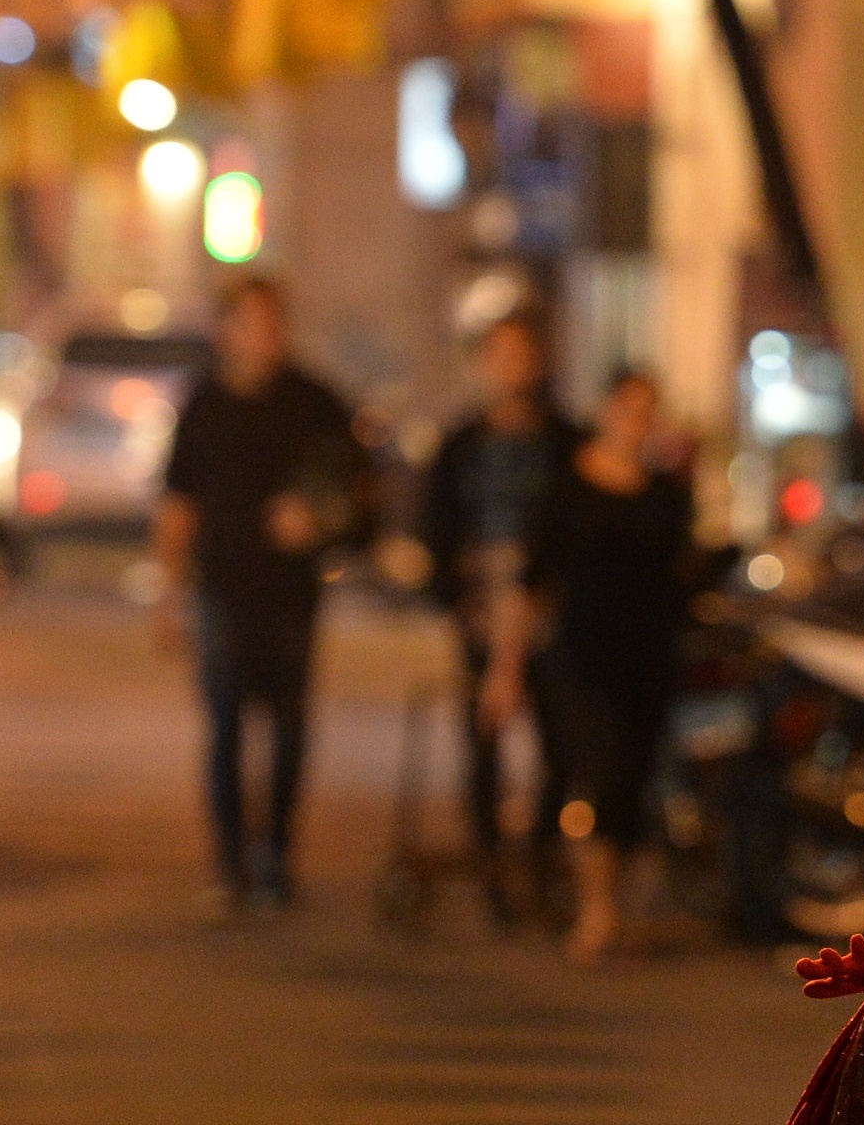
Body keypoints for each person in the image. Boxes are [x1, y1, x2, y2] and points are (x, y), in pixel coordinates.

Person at [155, 278, 368, 915]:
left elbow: (360, 485)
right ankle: (230, 865)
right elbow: (177, 505)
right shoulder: (204, 407)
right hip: (222, 589)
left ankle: (276, 858)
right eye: (251, 323)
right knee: (224, 727)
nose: (265, 336)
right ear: (226, 330)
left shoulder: (313, 401)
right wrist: (169, 596)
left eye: (274, 322)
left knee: (289, 726)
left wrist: (317, 516)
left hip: (292, 593)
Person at [500, 367, 693, 964]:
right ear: (606, 411)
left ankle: (614, 906)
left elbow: (682, 576)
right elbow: (529, 585)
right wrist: (505, 669)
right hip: (581, 659)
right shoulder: (567, 490)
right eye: (628, 409)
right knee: (593, 777)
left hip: (649, 660)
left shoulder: (667, 496)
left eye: (648, 411)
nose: (637, 423)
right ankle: (595, 910)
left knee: (633, 781)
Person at [418, 312, 582, 926]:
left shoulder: (565, 441)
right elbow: (435, 527)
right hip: (481, 608)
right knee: (482, 741)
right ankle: (491, 871)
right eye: (499, 354)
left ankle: (540, 858)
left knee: (559, 741)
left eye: (522, 352)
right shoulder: (461, 444)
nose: (511, 366)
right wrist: (456, 601)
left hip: (549, 612)